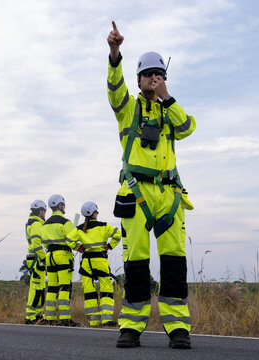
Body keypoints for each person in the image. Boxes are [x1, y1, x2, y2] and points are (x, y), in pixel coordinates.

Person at [106, 21, 196, 349]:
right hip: (136, 193)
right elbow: (114, 90)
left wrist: (166, 98)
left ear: (164, 79)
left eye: (159, 74)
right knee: (136, 263)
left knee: (174, 261)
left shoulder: (171, 111)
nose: (153, 78)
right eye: (148, 74)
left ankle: (178, 328)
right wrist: (115, 53)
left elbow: (187, 128)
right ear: (139, 78)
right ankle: (131, 326)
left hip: (170, 195)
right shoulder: (128, 109)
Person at [67, 201, 121, 327]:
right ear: (94, 213)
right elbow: (117, 234)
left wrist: (80, 248)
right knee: (106, 289)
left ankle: (93, 321)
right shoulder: (103, 226)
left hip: (86, 263)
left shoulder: (79, 229)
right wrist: (109, 246)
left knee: (89, 292)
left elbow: (69, 240)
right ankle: (107, 320)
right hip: (100, 261)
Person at [41, 194, 79, 326]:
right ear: (60, 205)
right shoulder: (66, 222)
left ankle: (49, 318)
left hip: (49, 256)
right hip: (63, 256)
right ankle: (65, 319)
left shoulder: (45, 224)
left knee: (51, 288)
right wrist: (79, 248)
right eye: (63, 205)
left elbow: (44, 243)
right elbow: (71, 241)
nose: (64, 207)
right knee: (64, 287)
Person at [24, 199, 48, 324]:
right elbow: (36, 243)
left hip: (35, 258)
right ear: (40, 211)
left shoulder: (33, 223)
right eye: (44, 211)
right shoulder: (36, 224)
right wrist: (43, 257)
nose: (45, 214)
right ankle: (30, 317)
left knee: (40, 289)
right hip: (36, 259)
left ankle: (38, 315)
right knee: (36, 288)